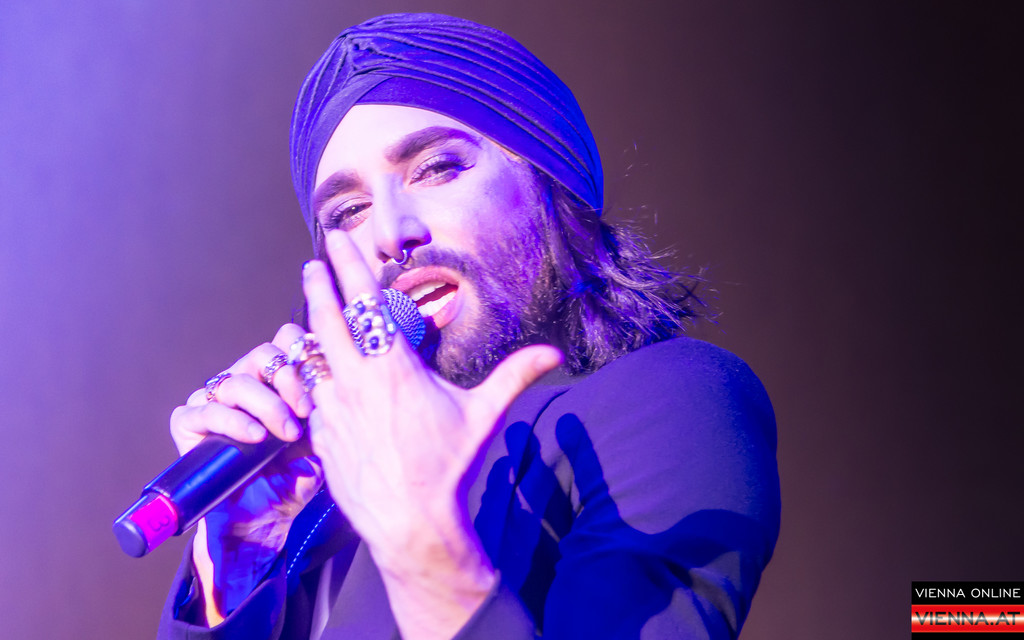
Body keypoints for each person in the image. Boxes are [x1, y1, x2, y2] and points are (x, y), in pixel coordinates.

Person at [158, 13, 780, 640]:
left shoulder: (669, 394)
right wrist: (239, 561)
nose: (390, 233)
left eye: (436, 168)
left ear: (548, 179)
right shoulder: (319, 497)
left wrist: (424, 551)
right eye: (348, 211)